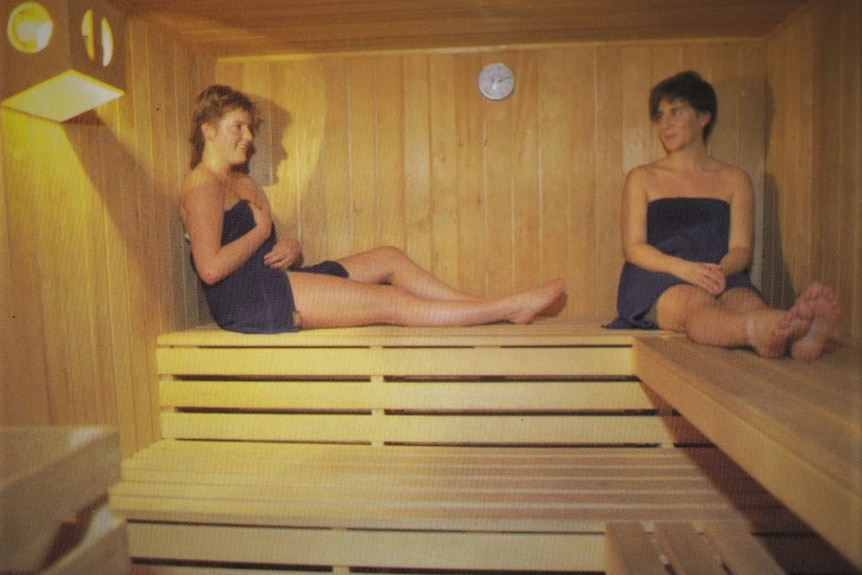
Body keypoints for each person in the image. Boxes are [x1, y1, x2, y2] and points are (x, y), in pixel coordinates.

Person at [180, 85, 565, 333]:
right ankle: (506, 309)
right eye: (238, 127)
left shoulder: (243, 181)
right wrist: (260, 234)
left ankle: (484, 308)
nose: (249, 138)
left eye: (249, 129)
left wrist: (292, 247)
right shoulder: (202, 185)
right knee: (392, 301)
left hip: (275, 280)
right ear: (208, 130)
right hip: (250, 301)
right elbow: (210, 269)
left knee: (388, 258)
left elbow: (263, 247)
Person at [607, 71, 839, 361]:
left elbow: (741, 249)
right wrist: (685, 269)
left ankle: (800, 339)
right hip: (659, 278)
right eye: (660, 115)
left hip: (720, 275)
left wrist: (722, 270)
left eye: (676, 112)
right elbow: (634, 248)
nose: (665, 123)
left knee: (746, 301)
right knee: (696, 304)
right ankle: (758, 333)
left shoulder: (735, 179)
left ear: (704, 116)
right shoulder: (641, 177)